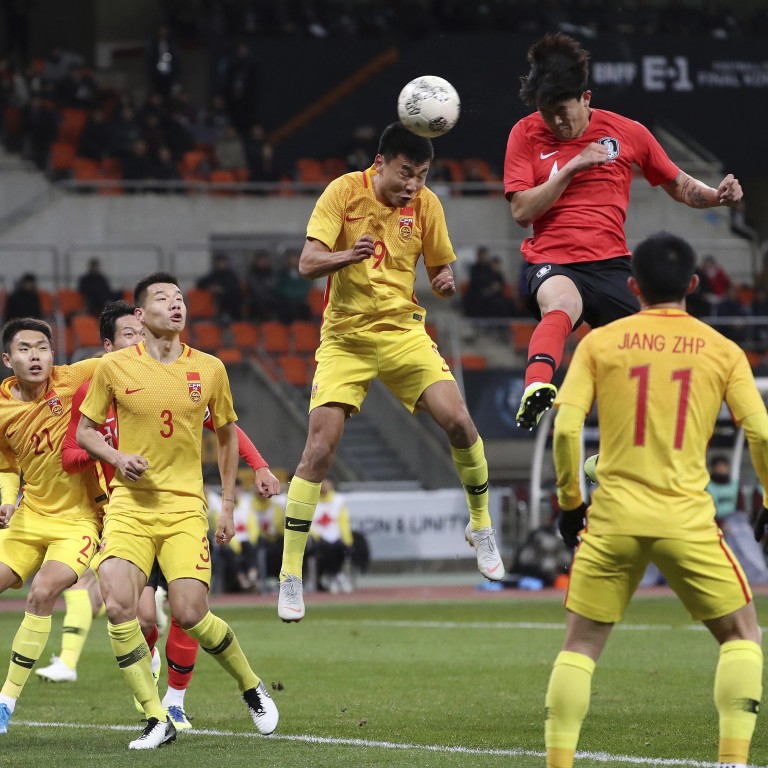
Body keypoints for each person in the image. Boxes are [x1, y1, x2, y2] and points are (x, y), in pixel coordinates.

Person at [549, 232, 764, 768]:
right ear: (693, 285)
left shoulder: (599, 344)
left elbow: (566, 428)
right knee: (741, 635)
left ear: (632, 287)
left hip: (614, 517)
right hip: (687, 520)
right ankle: (733, 761)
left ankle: (557, 763)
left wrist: (571, 503)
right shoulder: (724, 351)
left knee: (579, 647)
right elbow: (760, 433)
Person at [277, 122, 505, 623]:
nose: (413, 185)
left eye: (422, 175)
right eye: (406, 173)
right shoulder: (342, 192)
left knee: (461, 422)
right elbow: (307, 263)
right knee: (319, 448)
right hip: (346, 339)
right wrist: (347, 255)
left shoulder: (427, 206)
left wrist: (444, 281)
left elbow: (441, 271)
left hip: (403, 333)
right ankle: (291, 572)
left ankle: (481, 526)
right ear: (381, 163)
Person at [38, 299, 280, 733]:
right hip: (125, 512)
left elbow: (223, 427)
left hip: (180, 509)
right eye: (129, 335)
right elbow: (73, 446)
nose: (139, 341)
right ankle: (153, 704)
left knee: (189, 610)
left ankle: (177, 700)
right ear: (108, 345)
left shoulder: (169, 380)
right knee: (139, 615)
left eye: (140, 332)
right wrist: (110, 455)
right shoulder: (98, 387)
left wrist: (258, 464)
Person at [504, 33, 744, 430]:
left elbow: (679, 185)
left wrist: (718, 197)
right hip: (553, 261)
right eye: (548, 114)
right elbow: (521, 211)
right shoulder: (525, 134)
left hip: (613, 266)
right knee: (561, 305)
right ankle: (536, 389)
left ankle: (614, 454)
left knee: (652, 350)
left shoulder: (628, 132)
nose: (557, 123)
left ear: (586, 98)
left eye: (564, 111)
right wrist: (571, 168)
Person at [0, 318, 104, 735]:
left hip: (78, 520)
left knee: (43, 591)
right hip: (29, 517)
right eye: (25, 348)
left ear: (53, 355)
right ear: (8, 359)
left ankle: (5, 701)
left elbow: (120, 362)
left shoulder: (74, 377)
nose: (35, 355)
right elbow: (6, 464)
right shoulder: (1, 408)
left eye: (42, 347)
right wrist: (8, 501)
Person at [707, 455, 768, 585]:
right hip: (716, 523)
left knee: (746, 537)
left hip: (736, 522)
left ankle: (757, 572)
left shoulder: (734, 485)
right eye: (720, 466)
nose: (723, 469)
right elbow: (706, 510)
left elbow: (741, 509)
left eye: (724, 466)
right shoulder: (708, 486)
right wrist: (721, 524)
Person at [310, 479, 354, 594]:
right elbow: (309, 523)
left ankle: (334, 575)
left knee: (340, 548)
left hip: (336, 535)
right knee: (326, 549)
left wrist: (347, 540)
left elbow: (344, 521)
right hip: (318, 538)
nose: (324, 486)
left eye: (327, 482)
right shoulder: (311, 500)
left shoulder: (338, 500)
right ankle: (337, 576)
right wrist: (316, 536)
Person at [196, 253, 243, 322]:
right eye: (220, 262)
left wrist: (222, 289)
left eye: (224, 262)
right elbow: (200, 283)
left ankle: (229, 316)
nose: (222, 264)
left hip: (231, 300)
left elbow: (235, 288)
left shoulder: (232, 275)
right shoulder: (215, 274)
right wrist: (211, 288)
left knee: (233, 297)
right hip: (218, 300)